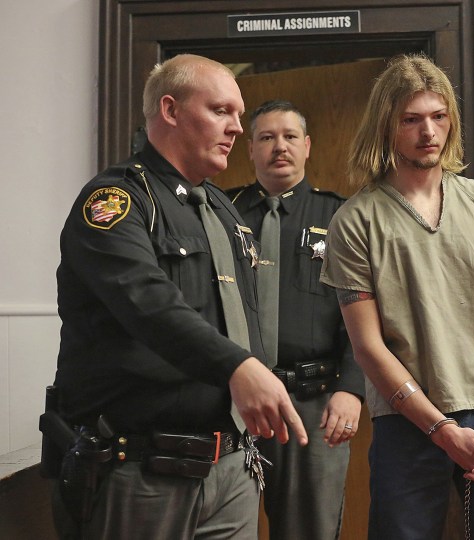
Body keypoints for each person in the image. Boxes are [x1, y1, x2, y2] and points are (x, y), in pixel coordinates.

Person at [49, 54, 307, 539]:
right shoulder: (117, 201)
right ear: (170, 110)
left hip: (231, 465)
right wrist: (237, 366)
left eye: (238, 114)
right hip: (143, 468)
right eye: (220, 111)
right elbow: (147, 302)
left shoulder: (224, 212)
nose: (236, 127)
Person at [320, 54, 474, 539]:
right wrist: (439, 429)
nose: (428, 132)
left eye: (439, 117)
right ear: (387, 127)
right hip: (408, 420)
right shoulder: (356, 222)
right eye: (411, 120)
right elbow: (369, 347)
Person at [228, 100, 364, 540]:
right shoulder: (221, 214)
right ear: (249, 148)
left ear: (307, 146)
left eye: (289, 137)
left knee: (309, 531)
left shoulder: (340, 217)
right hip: (231, 405)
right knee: (224, 525)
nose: (278, 147)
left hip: (311, 401)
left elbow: (365, 314)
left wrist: (352, 388)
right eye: (266, 137)